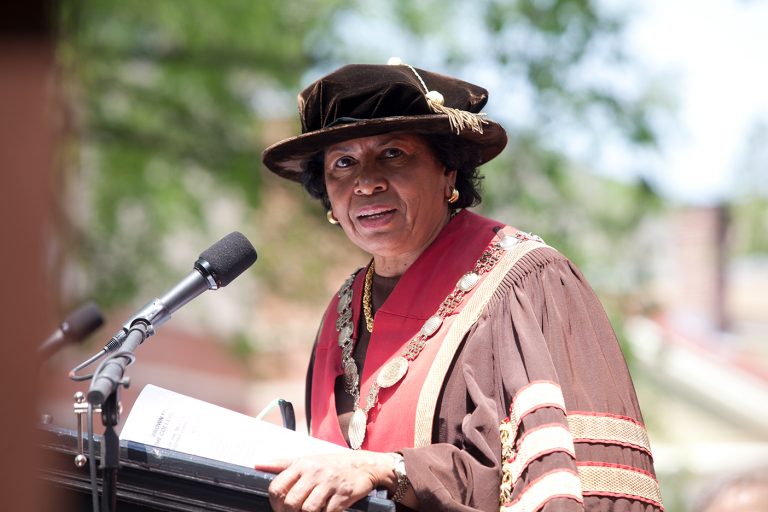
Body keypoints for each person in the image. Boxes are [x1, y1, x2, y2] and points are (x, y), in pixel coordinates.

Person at [256, 61, 664, 512]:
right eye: (343, 163)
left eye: (393, 153)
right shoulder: (343, 311)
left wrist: (388, 470)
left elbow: (549, 480)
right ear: (328, 195)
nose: (366, 182)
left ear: (448, 170)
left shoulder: (526, 282)